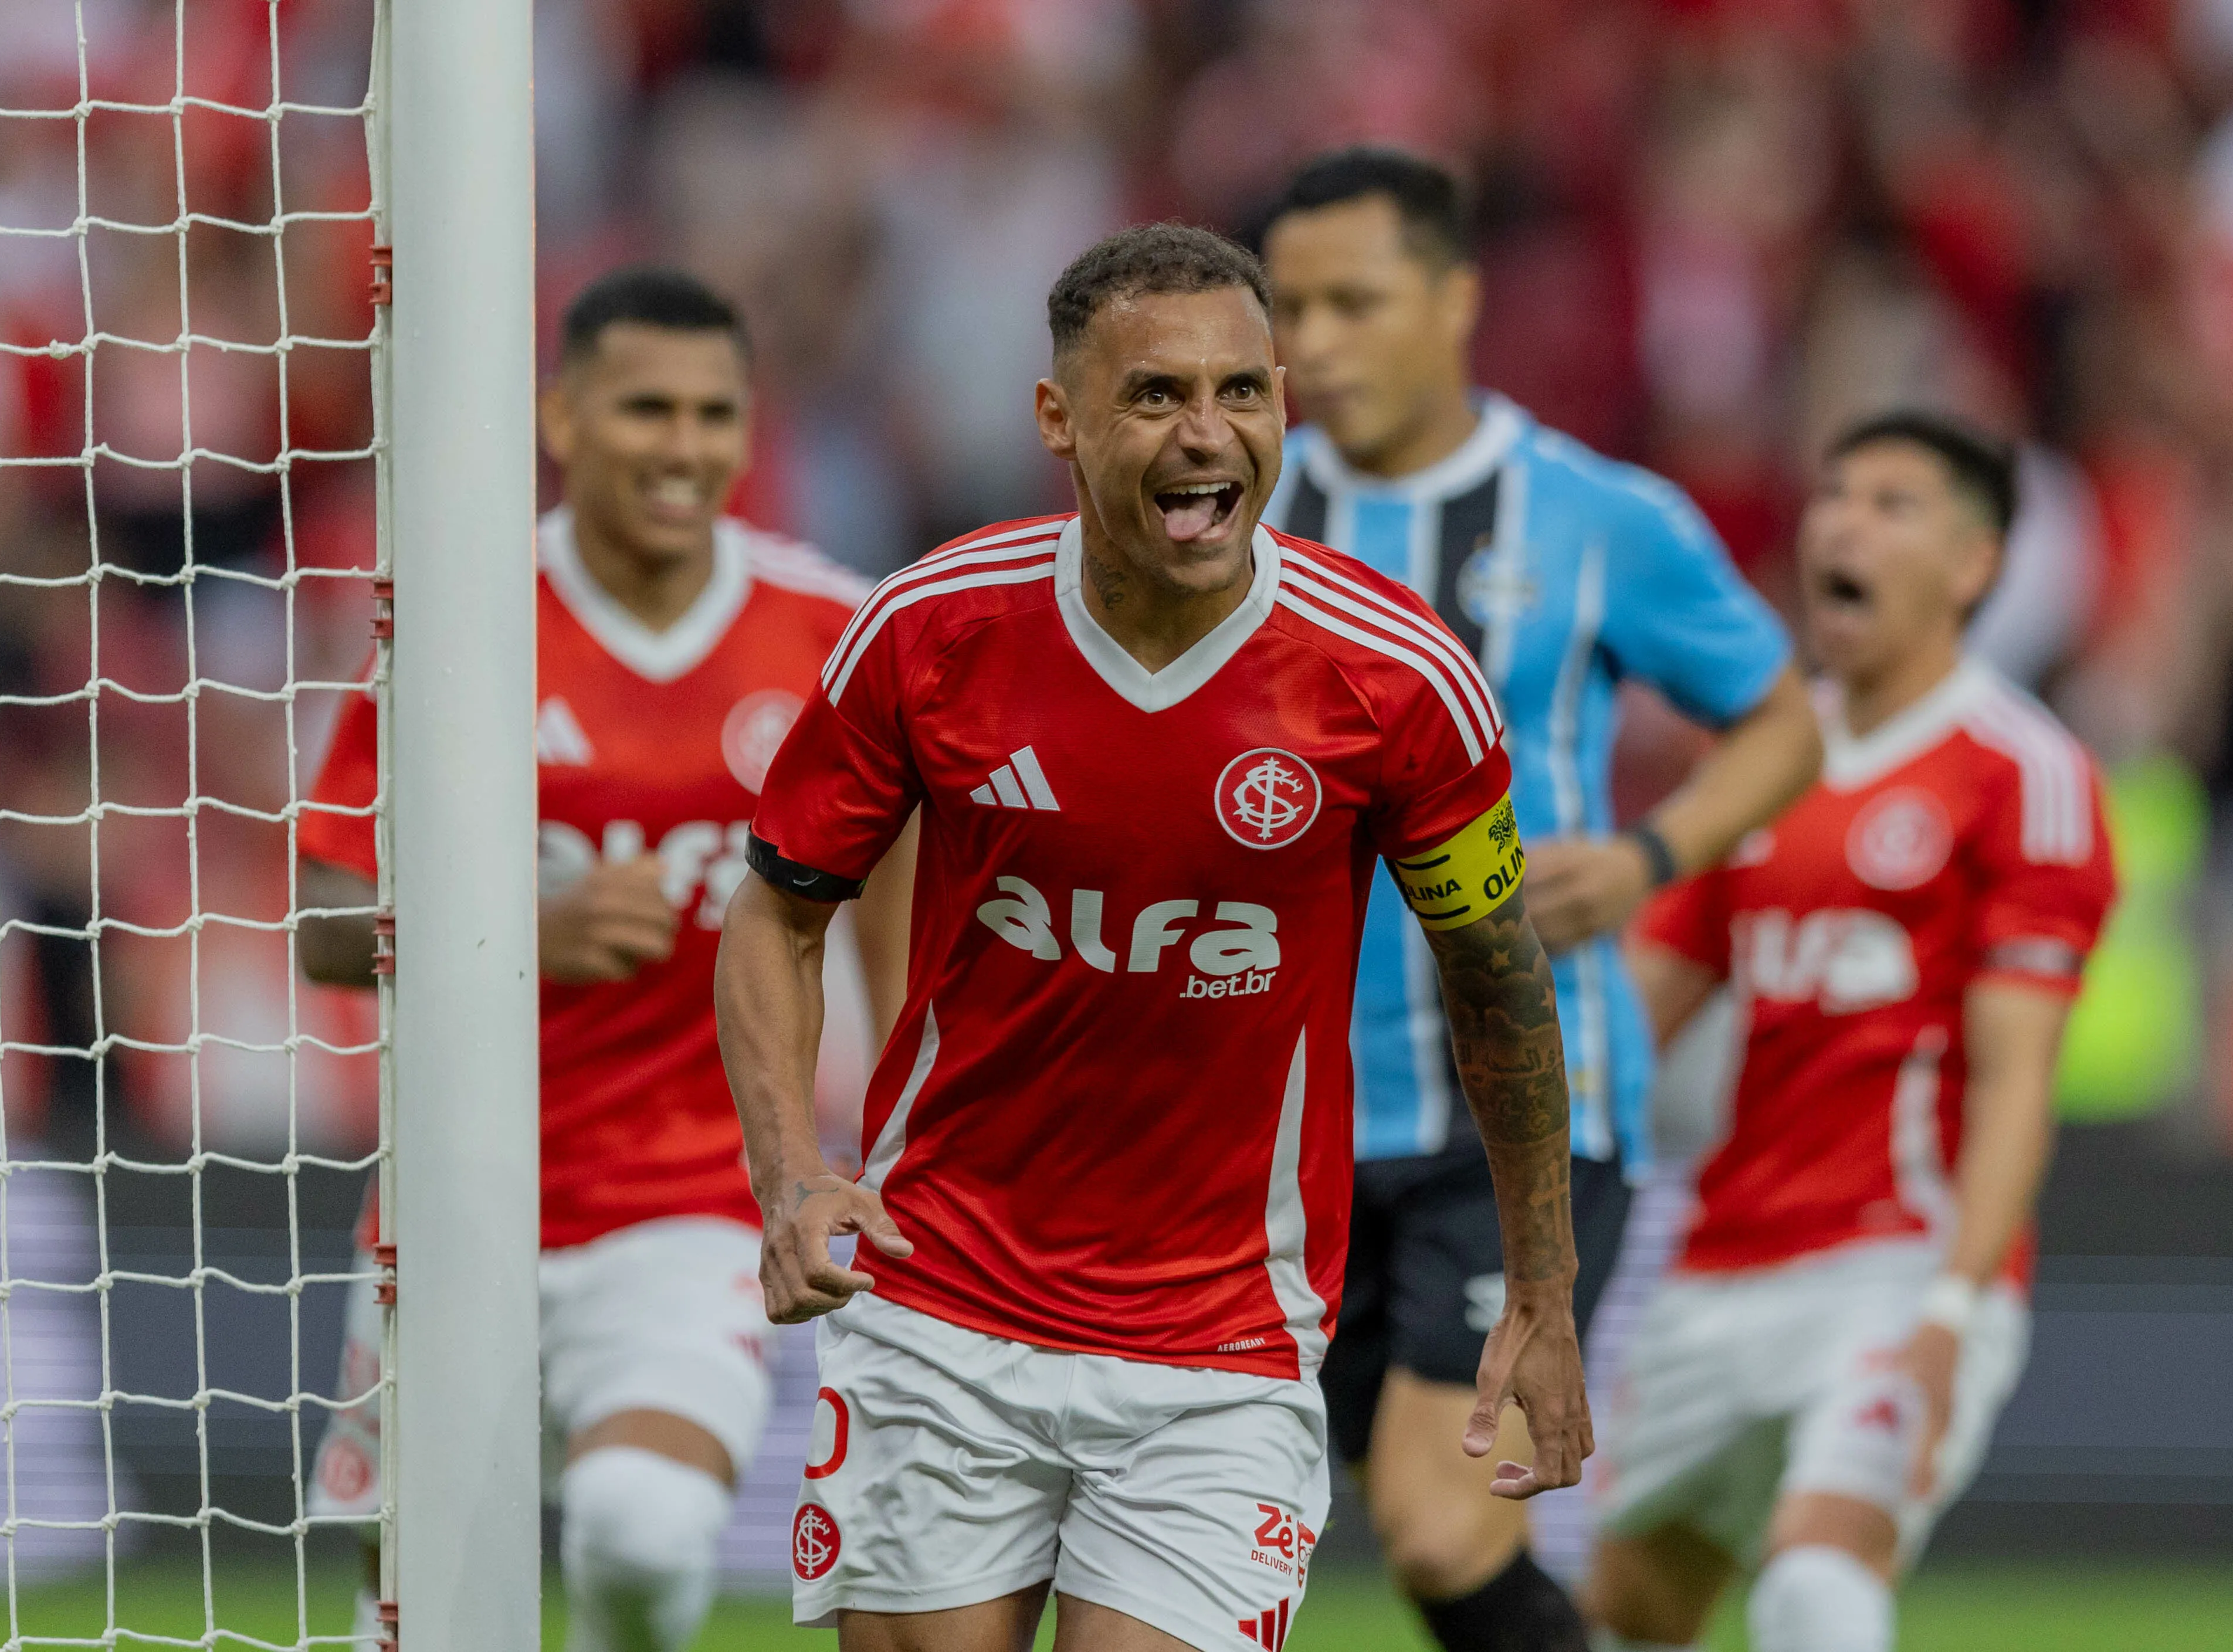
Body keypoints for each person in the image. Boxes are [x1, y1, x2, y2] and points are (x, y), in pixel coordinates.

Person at [714, 222, 1588, 1652]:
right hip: (940, 1304)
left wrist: (1543, 1288)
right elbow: (776, 913)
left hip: (1223, 1343)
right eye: (1157, 396)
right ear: (1059, 418)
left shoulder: (1399, 678)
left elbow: (1500, 986)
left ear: (1285, 406)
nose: (1208, 435)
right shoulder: (930, 632)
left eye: (1242, 392)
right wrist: (791, 1175)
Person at [296, 269, 912, 1652]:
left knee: (643, 1531)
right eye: (645, 408)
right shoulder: (451, 621)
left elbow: (908, 913)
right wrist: (520, 937)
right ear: (561, 416)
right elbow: (322, 924)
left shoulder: (834, 631)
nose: (683, 447)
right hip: (452, 1204)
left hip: (690, 1199)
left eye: (713, 413)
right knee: (409, 1618)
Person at [1256, 147, 1821, 1652]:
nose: (1312, 344)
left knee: (1447, 1526)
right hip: (1267, 1116)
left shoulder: (1593, 515)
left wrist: (1648, 856)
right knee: (1239, 1527)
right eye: (1289, 306)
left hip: (1518, 1109)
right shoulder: (1232, 522)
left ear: (1454, 301)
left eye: (1354, 302)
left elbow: (1782, 720)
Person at [1581, 412, 2118, 1652]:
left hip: (1896, 1264)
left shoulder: (2018, 770)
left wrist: (1952, 1309)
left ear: (1975, 566)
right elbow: (1633, 1014)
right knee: (1616, 1621)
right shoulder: (1767, 757)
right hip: (1720, 1268)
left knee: (1816, 1588)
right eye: (1834, 496)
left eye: (1893, 503)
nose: (1843, 523)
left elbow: (2012, 1083)